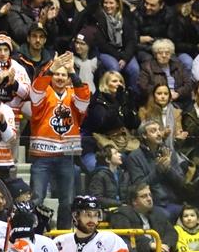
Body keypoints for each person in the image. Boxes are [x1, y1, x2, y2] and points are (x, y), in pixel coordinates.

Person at [29, 52, 90, 229]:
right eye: (56, 74)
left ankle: (63, 234)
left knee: (68, 200)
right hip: (42, 155)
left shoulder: (74, 94)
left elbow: (84, 102)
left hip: (66, 155)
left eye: (64, 74)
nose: (60, 77)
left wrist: (73, 72)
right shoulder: (44, 92)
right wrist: (50, 69)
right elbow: (35, 92)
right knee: (37, 198)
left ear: (68, 78)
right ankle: (35, 232)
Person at [127, 119, 188, 222]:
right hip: (153, 203)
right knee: (166, 216)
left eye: (159, 130)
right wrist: (158, 170)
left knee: (195, 212)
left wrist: (168, 169)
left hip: (174, 201)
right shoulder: (134, 157)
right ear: (144, 135)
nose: (159, 133)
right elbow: (139, 187)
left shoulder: (169, 152)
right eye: (153, 131)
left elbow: (181, 182)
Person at [80, 70, 138, 172]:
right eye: (114, 81)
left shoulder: (123, 99)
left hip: (120, 143)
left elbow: (133, 124)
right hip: (96, 146)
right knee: (117, 162)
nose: (119, 84)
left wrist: (131, 106)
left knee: (136, 157)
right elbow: (103, 125)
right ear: (105, 84)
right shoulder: (98, 100)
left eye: (121, 81)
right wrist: (116, 103)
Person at [88, 0, 139, 92]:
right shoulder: (98, 18)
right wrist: (119, 56)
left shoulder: (125, 18)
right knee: (114, 67)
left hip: (124, 52)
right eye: (105, 3)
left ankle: (132, 95)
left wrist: (125, 57)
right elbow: (102, 44)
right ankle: (112, 94)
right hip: (106, 52)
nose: (108, 6)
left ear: (117, 4)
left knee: (134, 69)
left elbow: (131, 40)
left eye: (111, 3)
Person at [136, 39, 194, 107]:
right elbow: (143, 86)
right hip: (156, 103)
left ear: (171, 54)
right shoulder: (147, 67)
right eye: (160, 53)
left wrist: (178, 93)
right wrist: (163, 93)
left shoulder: (178, 65)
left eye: (167, 53)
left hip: (178, 101)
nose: (164, 55)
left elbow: (188, 84)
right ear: (155, 54)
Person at [87, 145, 130, 214]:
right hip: (106, 211)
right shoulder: (99, 176)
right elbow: (97, 198)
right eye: (116, 153)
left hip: (122, 208)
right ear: (108, 160)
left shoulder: (122, 174)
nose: (120, 155)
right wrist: (119, 203)